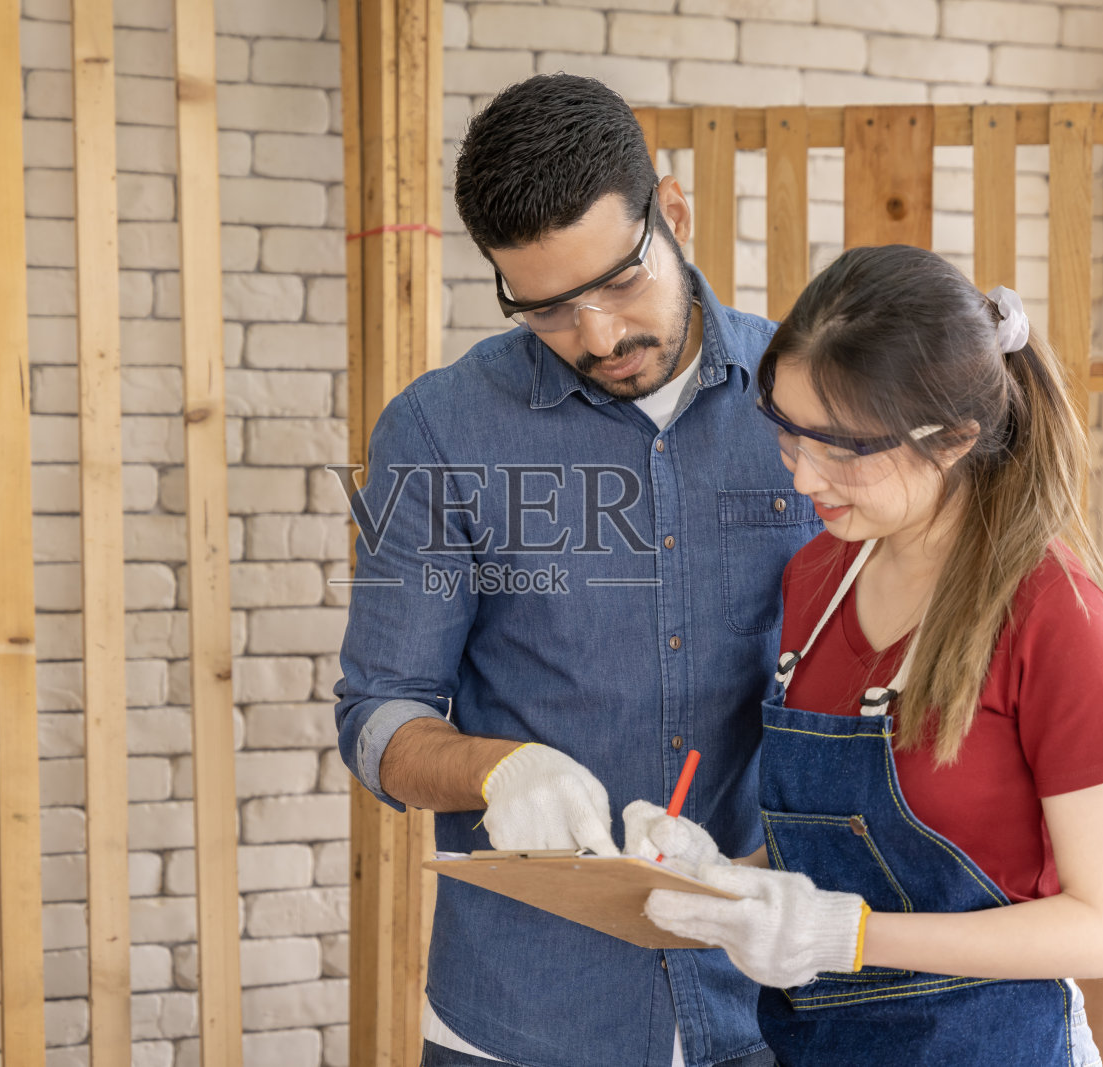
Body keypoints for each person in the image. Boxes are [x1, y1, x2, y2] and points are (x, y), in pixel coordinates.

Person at [334, 74, 820, 1067]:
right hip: (522, 1013)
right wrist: (494, 766)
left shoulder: (807, 400)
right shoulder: (436, 432)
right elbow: (378, 715)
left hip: (764, 1003)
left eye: (619, 283)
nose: (597, 336)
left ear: (672, 211)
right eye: (548, 309)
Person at [627, 244, 1103, 1065]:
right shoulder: (815, 577)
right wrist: (728, 881)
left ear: (953, 439)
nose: (804, 480)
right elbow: (839, 860)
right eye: (789, 436)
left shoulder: (1053, 612)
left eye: (840, 449)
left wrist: (851, 935)